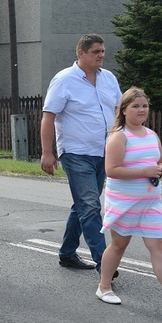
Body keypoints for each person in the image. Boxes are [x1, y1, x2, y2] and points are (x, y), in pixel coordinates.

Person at [96, 87, 162, 312]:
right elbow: (111, 170)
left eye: (145, 106)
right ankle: (104, 287)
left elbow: (158, 162)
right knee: (119, 245)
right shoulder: (118, 136)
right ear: (124, 110)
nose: (141, 110)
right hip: (124, 202)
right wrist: (145, 171)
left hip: (150, 201)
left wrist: (161, 169)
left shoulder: (151, 135)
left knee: (159, 246)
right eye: (135, 106)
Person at [40, 33, 122, 276]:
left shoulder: (108, 79)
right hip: (76, 153)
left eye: (103, 51)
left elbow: (119, 112)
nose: (101, 56)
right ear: (81, 53)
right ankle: (104, 262)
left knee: (84, 205)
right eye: (96, 51)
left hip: (104, 153)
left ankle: (67, 253)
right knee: (90, 206)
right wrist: (47, 152)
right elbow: (49, 116)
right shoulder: (64, 79)